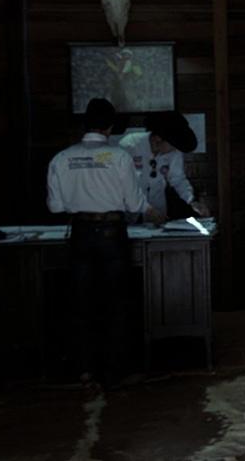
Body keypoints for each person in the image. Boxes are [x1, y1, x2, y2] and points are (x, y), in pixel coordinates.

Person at [46, 98, 159, 389]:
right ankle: (114, 371)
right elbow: (134, 203)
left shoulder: (61, 158)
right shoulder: (119, 156)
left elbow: (56, 206)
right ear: (110, 127)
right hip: (112, 234)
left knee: (80, 301)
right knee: (116, 301)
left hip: (80, 233)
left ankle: (84, 370)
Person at [119, 110, 208, 221]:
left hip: (158, 212)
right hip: (129, 212)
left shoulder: (174, 152)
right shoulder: (129, 146)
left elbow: (178, 179)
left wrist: (192, 201)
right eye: (172, 146)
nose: (175, 150)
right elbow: (123, 185)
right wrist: (145, 208)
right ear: (158, 139)